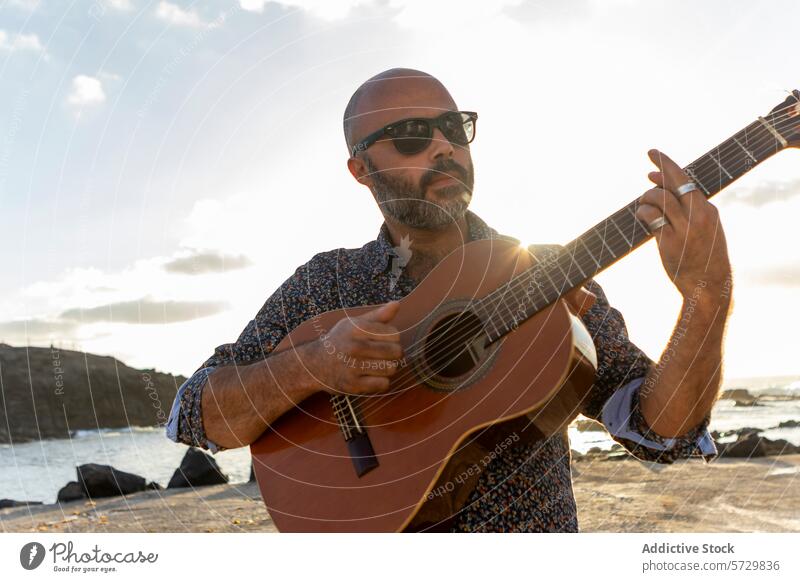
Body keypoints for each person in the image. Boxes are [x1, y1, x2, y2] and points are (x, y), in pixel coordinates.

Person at [166, 68, 731, 532]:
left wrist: (705, 301)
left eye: (454, 128)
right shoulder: (325, 284)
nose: (443, 146)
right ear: (361, 170)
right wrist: (310, 366)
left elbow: (660, 433)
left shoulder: (549, 273)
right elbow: (193, 417)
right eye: (412, 134)